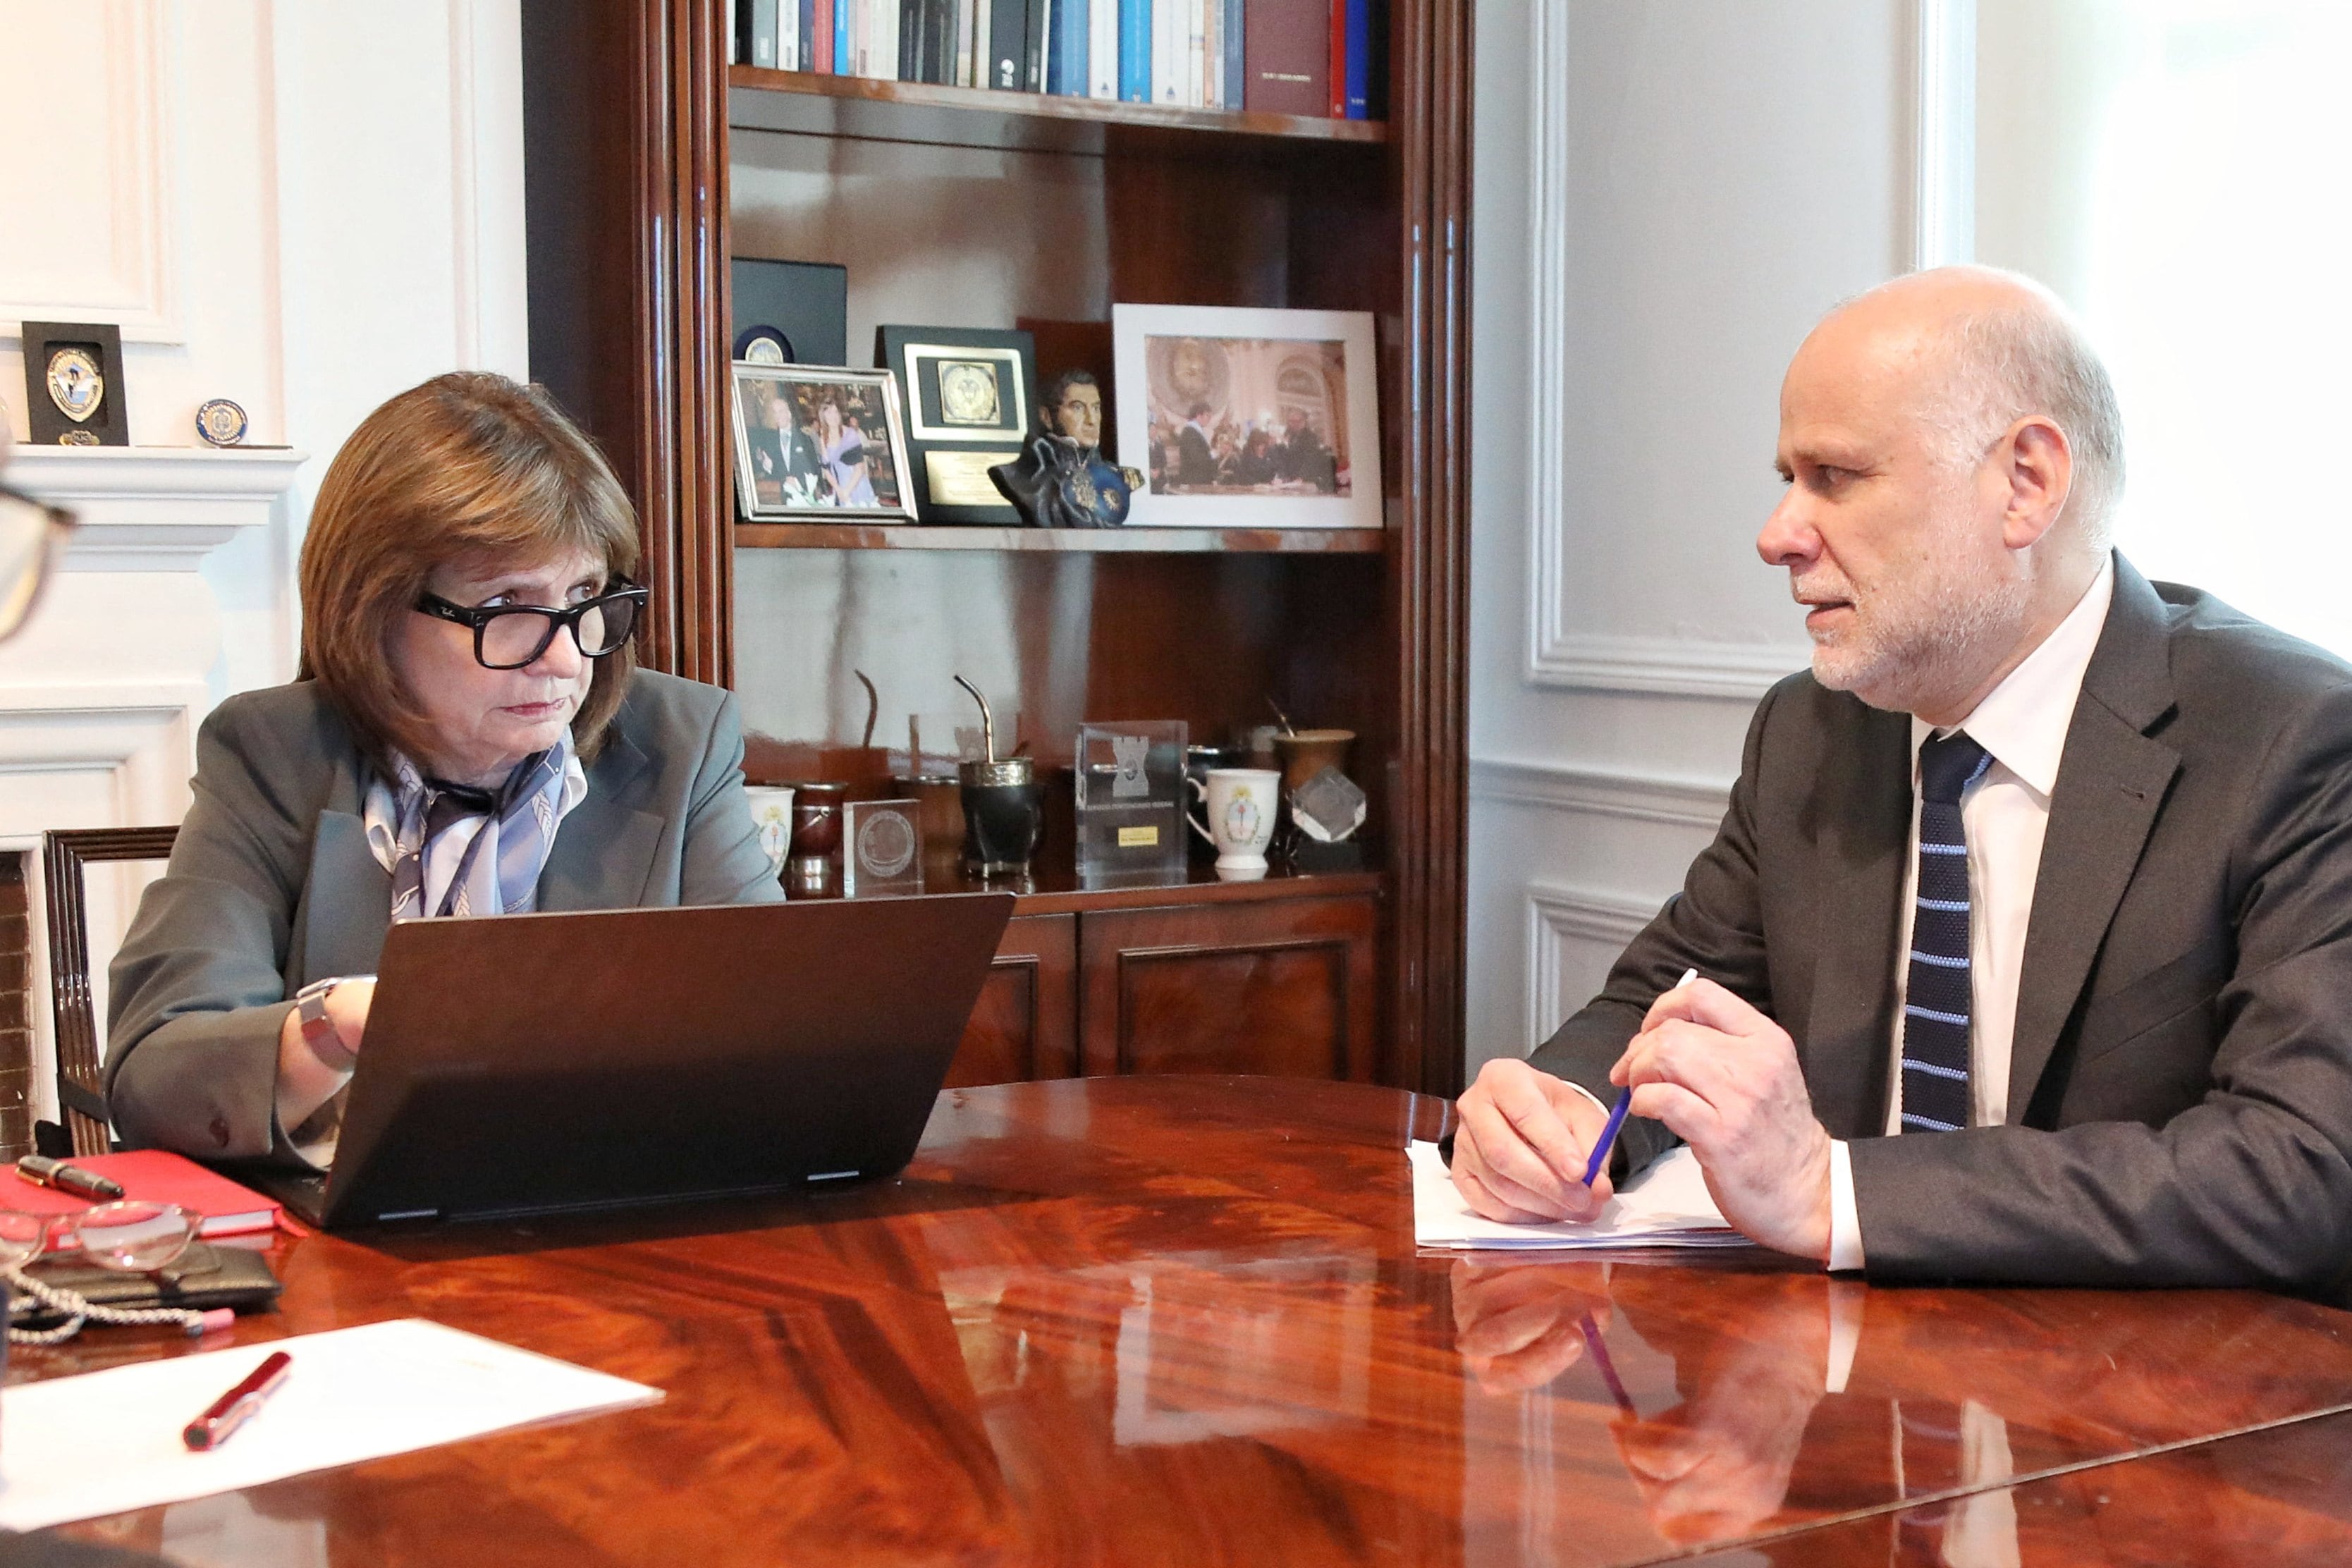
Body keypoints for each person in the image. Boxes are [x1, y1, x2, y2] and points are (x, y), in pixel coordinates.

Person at [1451, 266, 2352, 1297]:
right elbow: (1672, 999)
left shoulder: (2296, 739)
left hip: (2156, 1410)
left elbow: (2303, 1167)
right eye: (1788, 478)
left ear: (2026, 483)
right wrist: (1560, 1114)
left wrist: (1835, 1194)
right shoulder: (1813, 729)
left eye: (1834, 477)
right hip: (1840, 1393)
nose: (1777, 533)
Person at [104, 372, 783, 1167]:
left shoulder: (681, 742)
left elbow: (780, 1033)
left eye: (586, 597)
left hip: (613, 1219)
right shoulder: (274, 754)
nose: (566, 659)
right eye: (506, 610)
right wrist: (342, 1027)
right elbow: (156, 1076)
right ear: (375, 612)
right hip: (365, 1254)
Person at [814, 394, 876, 506]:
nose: (833, 416)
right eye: (829, 413)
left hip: (856, 486)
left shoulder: (850, 435)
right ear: (823, 417)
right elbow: (826, 469)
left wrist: (847, 491)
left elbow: (860, 468)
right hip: (840, 488)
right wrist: (839, 490)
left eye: (835, 412)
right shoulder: (823, 438)